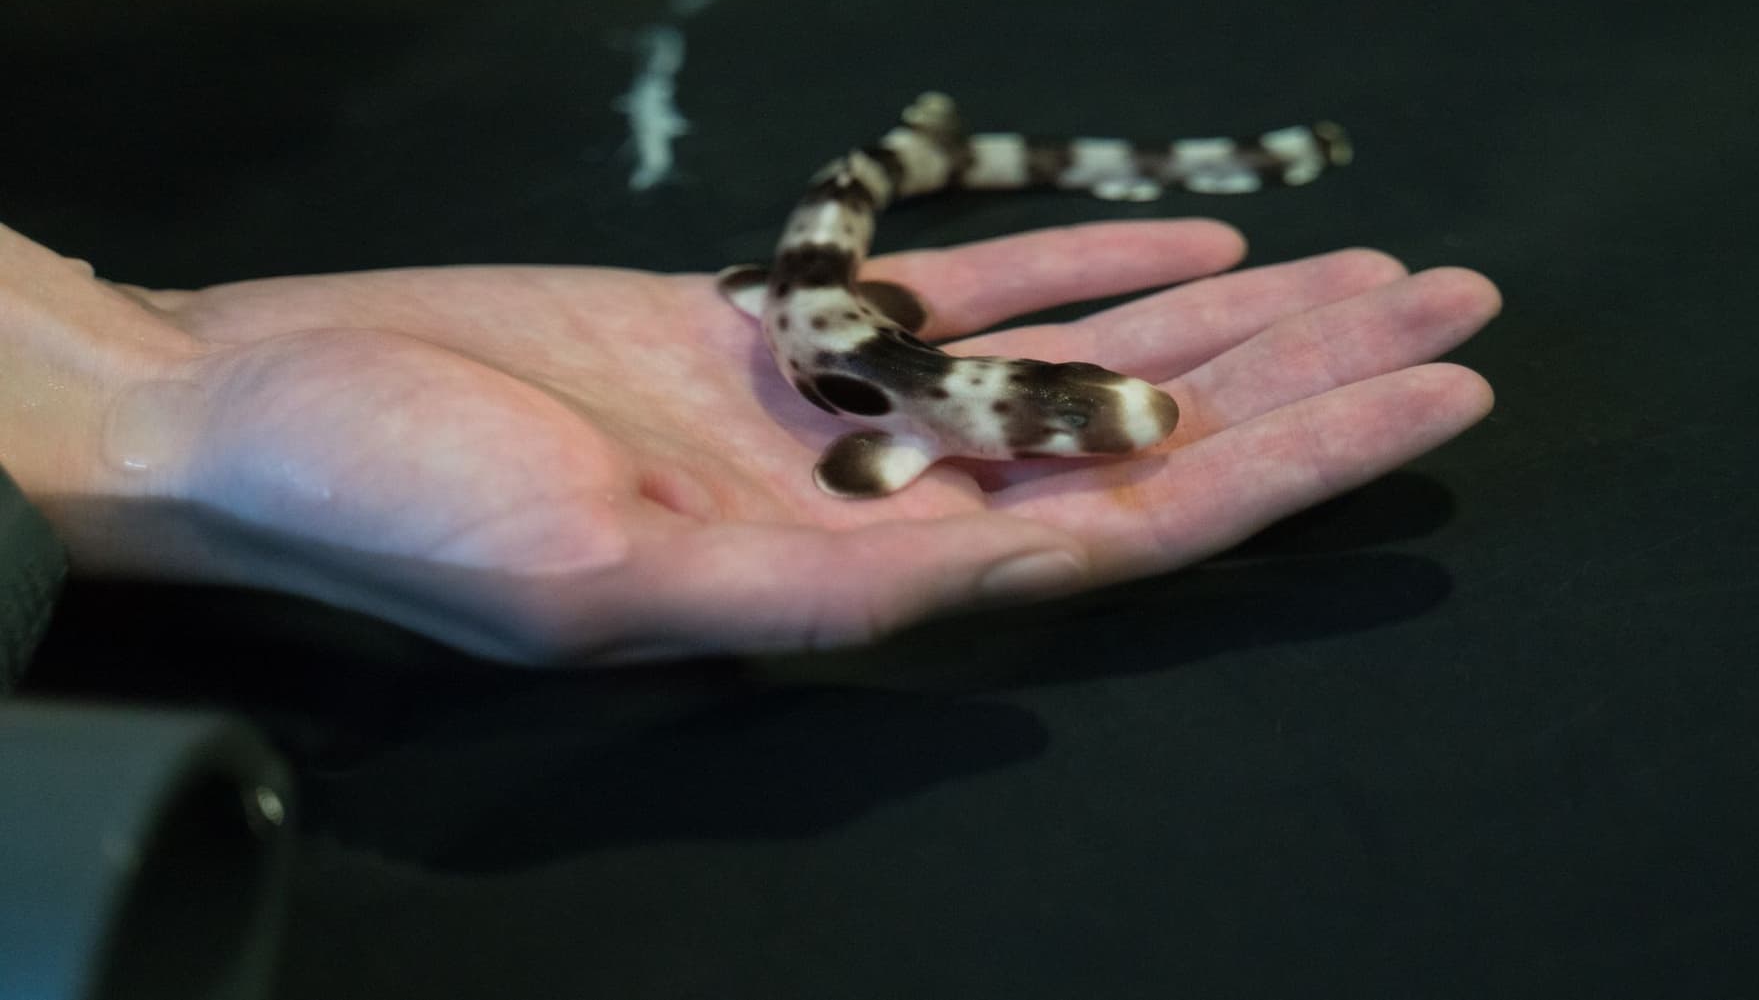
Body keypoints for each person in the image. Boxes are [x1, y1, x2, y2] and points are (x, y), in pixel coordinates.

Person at [0, 216, 1499, 668]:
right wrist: (157, 398)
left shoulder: (932, 404)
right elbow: (882, 443)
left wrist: (146, 358)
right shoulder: (918, 421)